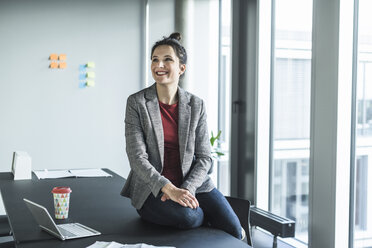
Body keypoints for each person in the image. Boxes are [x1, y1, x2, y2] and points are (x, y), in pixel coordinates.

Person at [120, 32, 244, 240]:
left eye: (167, 59)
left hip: (193, 184)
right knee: (189, 218)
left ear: (181, 68)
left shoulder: (196, 105)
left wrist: (186, 190)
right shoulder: (137, 103)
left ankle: (198, 208)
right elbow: (137, 158)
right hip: (154, 188)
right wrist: (169, 189)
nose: (159, 65)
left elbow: (205, 157)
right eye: (155, 60)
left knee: (235, 229)